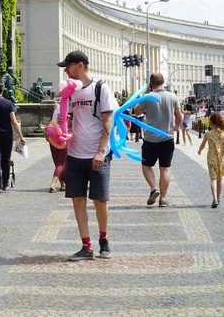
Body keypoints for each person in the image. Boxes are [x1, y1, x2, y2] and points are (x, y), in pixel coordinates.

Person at [56, 50, 118, 261]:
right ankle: (86, 246)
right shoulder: (70, 92)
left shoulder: (101, 88)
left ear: (79, 65)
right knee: (78, 200)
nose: (66, 71)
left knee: (100, 201)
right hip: (74, 154)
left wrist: (101, 151)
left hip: (97, 154)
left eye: (68, 66)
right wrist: (58, 134)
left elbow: (107, 121)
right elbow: (63, 119)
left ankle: (103, 239)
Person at [133, 73, 182, 207]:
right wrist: (176, 127)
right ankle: (163, 199)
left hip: (150, 139)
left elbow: (136, 112)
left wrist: (147, 94)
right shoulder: (173, 96)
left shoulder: (148, 97)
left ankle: (153, 188)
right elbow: (179, 116)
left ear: (151, 83)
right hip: (167, 138)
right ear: (163, 81)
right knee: (165, 168)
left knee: (146, 165)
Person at [0, 82, 26, 194]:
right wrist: (21, 136)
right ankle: (5, 183)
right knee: (6, 159)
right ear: (2, 91)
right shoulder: (8, 103)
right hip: (7, 134)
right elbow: (14, 121)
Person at [198, 112, 224, 208]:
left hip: (211, 159)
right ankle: (219, 197)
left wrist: (199, 150)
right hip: (221, 159)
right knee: (219, 179)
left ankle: (215, 199)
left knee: (213, 179)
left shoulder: (208, 134)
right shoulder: (223, 134)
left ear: (211, 122)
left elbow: (203, 145)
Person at [47, 104, 67, 193]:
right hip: (62, 138)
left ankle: (63, 184)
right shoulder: (68, 107)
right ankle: (53, 184)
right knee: (62, 163)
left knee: (58, 163)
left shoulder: (56, 107)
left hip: (52, 137)